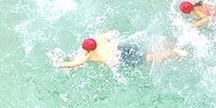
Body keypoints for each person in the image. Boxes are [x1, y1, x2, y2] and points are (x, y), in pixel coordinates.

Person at [54, 32, 186, 68]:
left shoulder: (89, 56)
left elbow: (72, 64)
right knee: (145, 48)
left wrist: (59, 63)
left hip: (121, 58)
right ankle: (172, 45)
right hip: (121, 47)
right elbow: (112, 33)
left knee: (148, 58)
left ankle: (174, 53)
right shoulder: (99, 39)